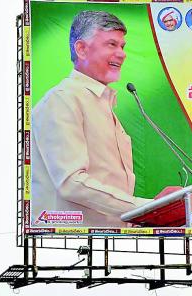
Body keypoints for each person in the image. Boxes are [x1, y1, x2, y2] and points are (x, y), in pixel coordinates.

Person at [30, 11, 159, 228]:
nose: (122, 54)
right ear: (81, 49)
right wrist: (145, 208)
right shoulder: (63, 99)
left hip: (109, 240)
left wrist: (141, 215)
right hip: (71, 243)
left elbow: (110, 187)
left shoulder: (102, 103)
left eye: (122, 46)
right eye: (111, 44)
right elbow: (71, 183)